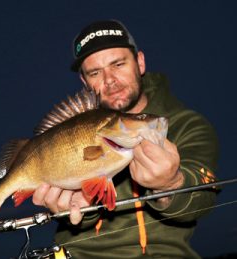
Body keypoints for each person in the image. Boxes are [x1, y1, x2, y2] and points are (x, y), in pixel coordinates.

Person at [32, 20, 219, 258]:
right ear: (84, 81)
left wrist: (171, 184)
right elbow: (77, 214)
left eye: (118, 64)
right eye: (95, 72)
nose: (109, 80)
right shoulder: (75, 126)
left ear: (140, 62)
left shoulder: (187, 124)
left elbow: (202, 200)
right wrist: (80, 208)